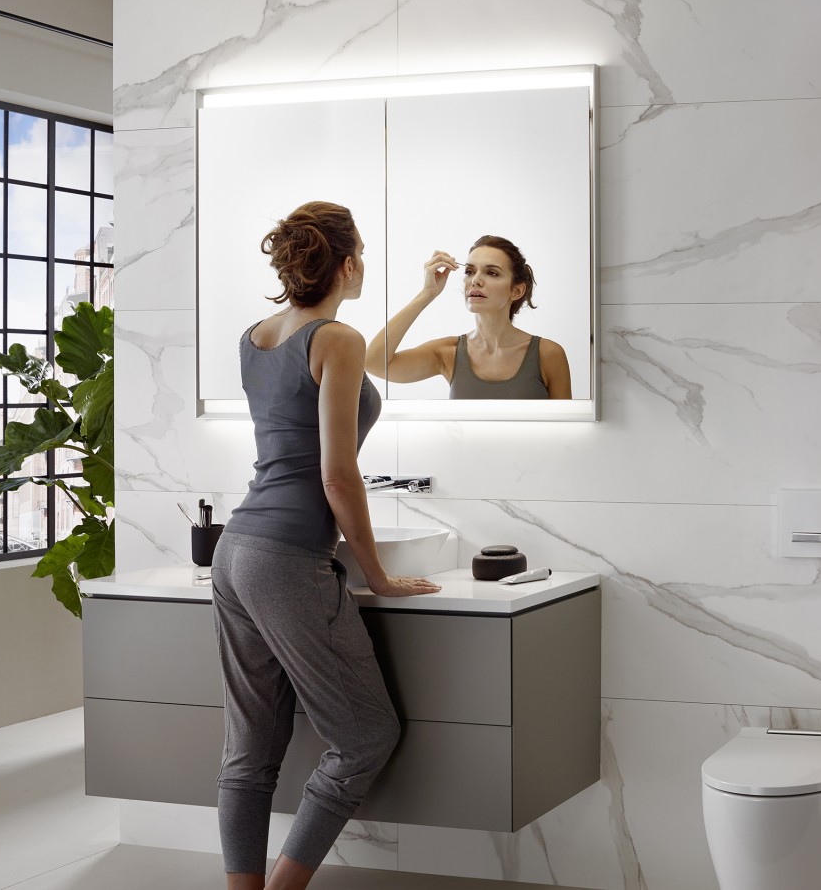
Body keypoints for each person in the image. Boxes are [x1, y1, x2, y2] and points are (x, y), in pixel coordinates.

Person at [212, 201, 440, 890]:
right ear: (346, 263)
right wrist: (377, 574)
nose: (363, 263)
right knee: (366, 737)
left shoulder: (254, 336)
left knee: (250, 753)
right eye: (362, 253)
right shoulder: (335, 338)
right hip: (287, 558)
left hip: (237, 550)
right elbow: (338, 476)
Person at [364, 235, 571, 400]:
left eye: (492, 273)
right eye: (470, 271)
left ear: (516, 290)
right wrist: (426, 294)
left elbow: (567, 438)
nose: (476, 281)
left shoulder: (548, 355)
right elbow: (374, 363)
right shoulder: (448, 353)